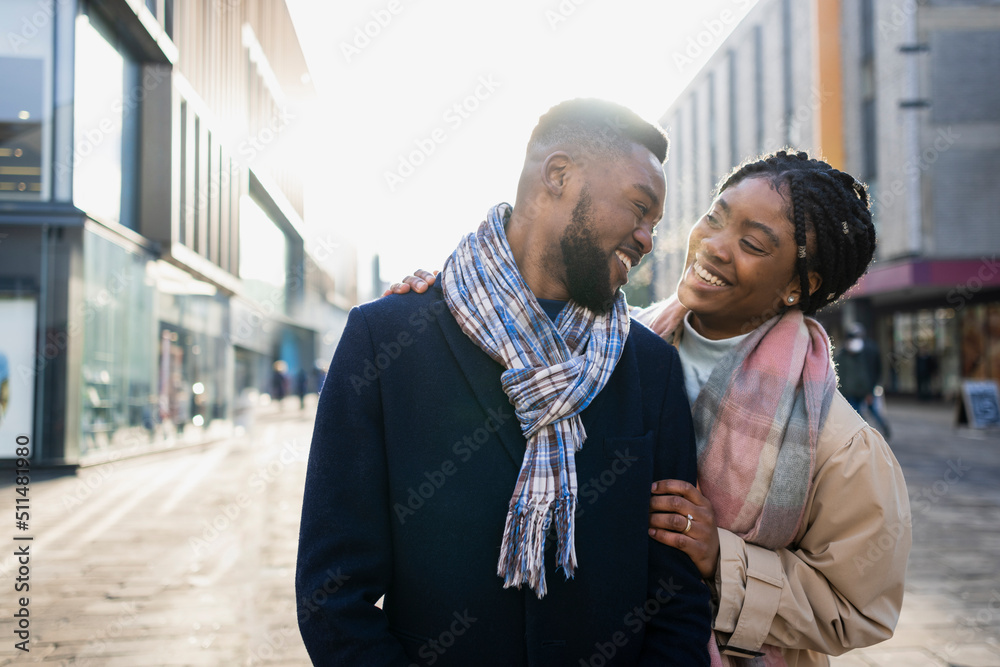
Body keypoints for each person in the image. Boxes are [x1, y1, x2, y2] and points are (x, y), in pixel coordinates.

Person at [394, 150, 912, 666]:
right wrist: (450, 295)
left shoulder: (837, 441)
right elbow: (520, 338)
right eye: (715, 217)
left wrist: (723, 561)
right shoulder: (607, 349)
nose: (713, 246)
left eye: (751, 243)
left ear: (799, 286)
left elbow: (860, 607)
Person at [296, 99, 712, 666]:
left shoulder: (651, 368)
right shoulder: (386, 339)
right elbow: (332, 593)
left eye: (655, 225)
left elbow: (677, 602)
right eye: (640, 209)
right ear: (558, 176)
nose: (647, 239)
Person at [835, 323, 891, 438]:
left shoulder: (863, 351)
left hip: (862, 389)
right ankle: (867, 432)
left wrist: (870, 389)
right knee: (861, 412)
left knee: (863, 412)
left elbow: (871, 370)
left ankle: (868, 432)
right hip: (858, 389)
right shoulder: (845, 353)